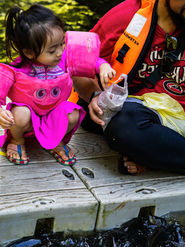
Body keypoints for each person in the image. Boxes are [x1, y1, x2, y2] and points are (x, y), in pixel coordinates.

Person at [73, 0, 185, 178]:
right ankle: (168, 156)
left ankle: (157, 157)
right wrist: (95, 95)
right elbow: (78, 63)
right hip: (142, 119)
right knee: (124, 126)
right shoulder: (128, 14)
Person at [0, 4, 116, 165]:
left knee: (73, 113)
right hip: (27, 120)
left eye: (62, 44)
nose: (60, 52)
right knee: (19, 113)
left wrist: (103, 66)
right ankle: (17, 141)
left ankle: (55, 141)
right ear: (29, 52)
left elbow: (91, 61)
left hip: (53, 114)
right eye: (52, 50)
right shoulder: (18, 69)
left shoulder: (65, 59)